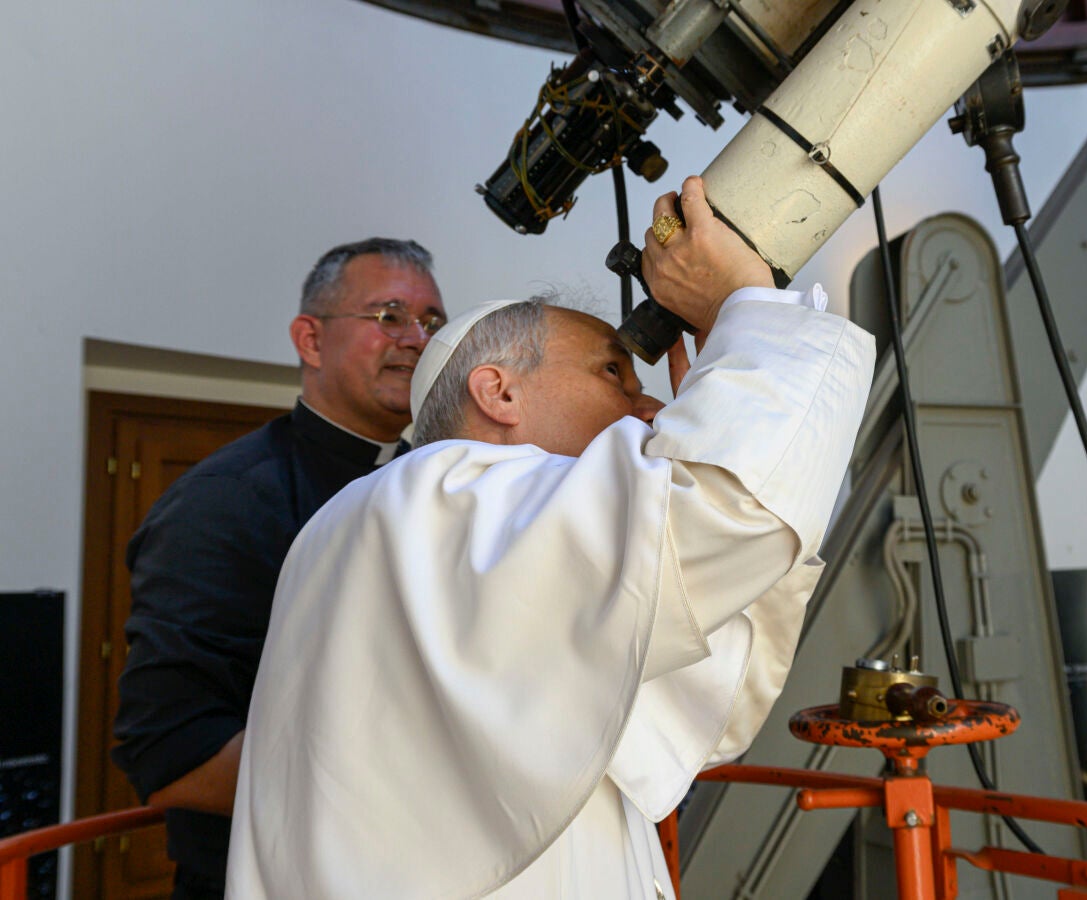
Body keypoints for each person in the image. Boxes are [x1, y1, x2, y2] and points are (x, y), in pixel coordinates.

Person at [225, 176, 874, 899]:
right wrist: (745, 310)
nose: (650, 406)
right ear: (498, 392)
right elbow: (726, 516)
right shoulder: (437, 495)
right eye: (614, 374)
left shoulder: (445, 522)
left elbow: (705, 698)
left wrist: (723, 405)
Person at [111, 238, 447, 899]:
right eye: (389, 316)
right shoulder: (225, 501)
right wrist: (421, 790)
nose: (416, 339)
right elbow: (173, 751)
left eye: (432, 321)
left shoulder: (444, 482)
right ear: (310, 340)